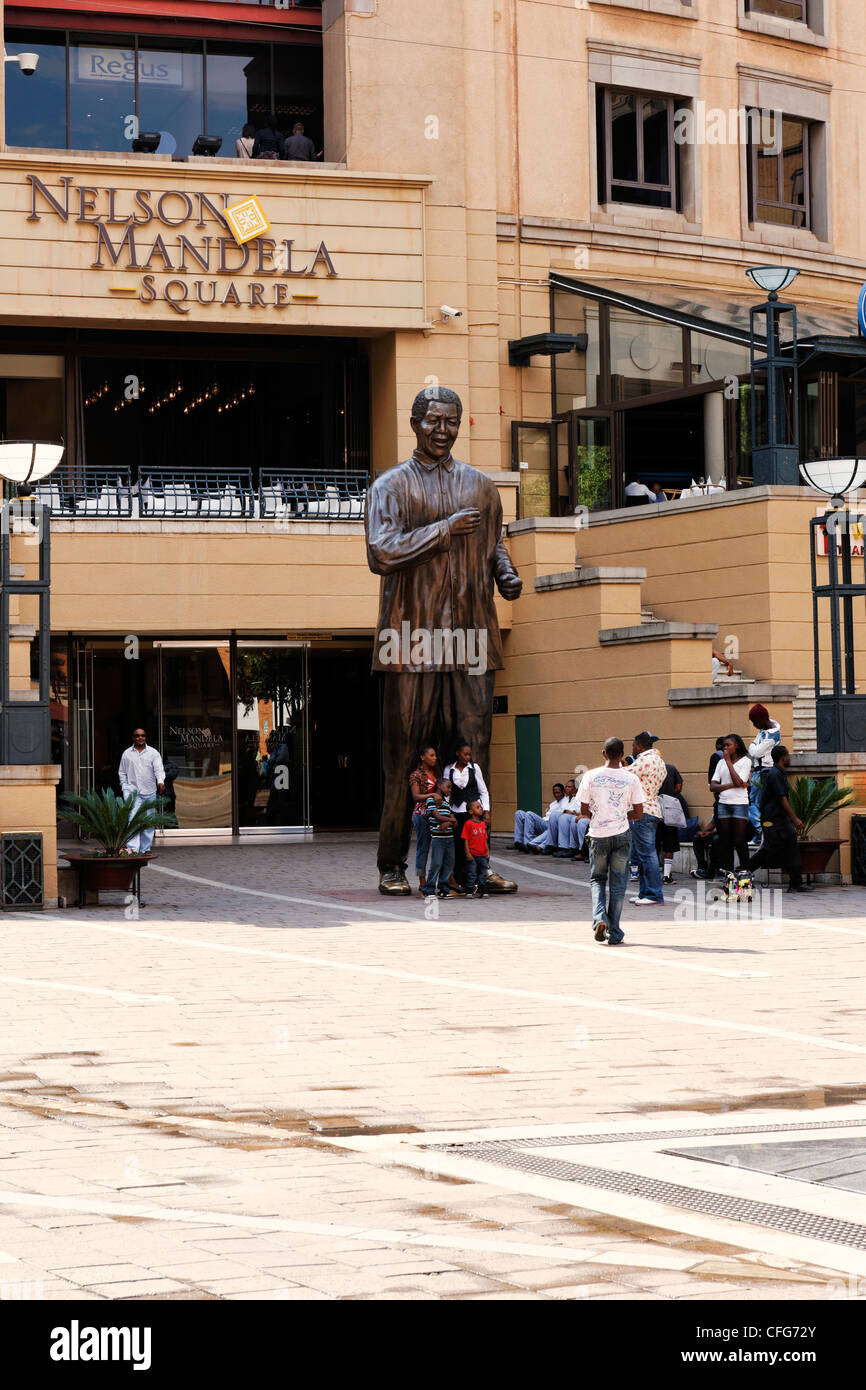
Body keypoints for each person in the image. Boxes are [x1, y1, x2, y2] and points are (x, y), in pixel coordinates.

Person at [366, 386, 522, 896]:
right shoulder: (391, 486)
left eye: (450, 421)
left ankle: (471, 865)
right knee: (404, 753)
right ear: (414, 422)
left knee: (473, 757)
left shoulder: (481, 486)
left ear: (460, 424)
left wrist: (506, 573)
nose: (441, 429)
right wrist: (444, 529)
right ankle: (393, 864)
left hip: (473, 637)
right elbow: (381, 553)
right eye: (432, 420)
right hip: (411, 640)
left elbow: (494, 542)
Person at [578, 737, 644, 946]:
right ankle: (614, 931)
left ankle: (599, 919)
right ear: (622, 755)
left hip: (598, 834)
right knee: (618, 883)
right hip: (622, 834)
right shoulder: (631, 778)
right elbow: (639, 813)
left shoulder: (590, 776)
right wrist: (622, 817)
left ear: (603, 753)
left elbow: (583, 810)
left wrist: (598, 818)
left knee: (597, 879)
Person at [749, 746, 811, 893]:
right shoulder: (775, 774)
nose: (789, 758)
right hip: (773, 820)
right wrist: (794, 818)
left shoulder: (778, 773)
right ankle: (742, 871)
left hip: (779, 819)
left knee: (791, 847)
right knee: (770, 849)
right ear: (783, 757)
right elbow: (782, 798)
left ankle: (796, 883)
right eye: (788, 755)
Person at [444, 741, 489, 890]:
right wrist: (448, 811)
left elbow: (483, 791)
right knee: (458, 845)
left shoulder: (474, 768)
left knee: (474, 846)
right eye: (465, 754)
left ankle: (475, 880)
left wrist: (486, 811)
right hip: (456, 812)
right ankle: (458, 880)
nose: (468, 757)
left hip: (472, 814)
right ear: (458, 753)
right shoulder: (448, 769)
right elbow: (445, 793)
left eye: (470, 754)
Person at [629, 731, 667, 905]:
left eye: (633, 745)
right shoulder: (659, 761)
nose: (632, 747)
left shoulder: (643, 760)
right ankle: (645, 893)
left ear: (639, 745)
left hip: (642, 811)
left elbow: (625, 775)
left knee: (647, 854)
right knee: (643, 854)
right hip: (653, 809)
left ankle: (653, 895)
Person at [710, 733, 752, 876]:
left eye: (728, 745)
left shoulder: (745, 761)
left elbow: (740, 781)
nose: (725, 748)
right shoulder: (720, 762)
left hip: (739, 804)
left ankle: (746, 869)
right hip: (723, 803)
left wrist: (729, 762)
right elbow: (712, 786)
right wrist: (731, 785)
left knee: (740, 839)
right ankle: (728, 872)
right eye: (724, 746)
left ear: (737, 745)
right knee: (725, 839)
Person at [118, 727, 165, 854]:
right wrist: (124, 786)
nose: (140, 738)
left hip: (149, 791)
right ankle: (133, 849)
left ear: (145, 737)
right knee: (132, 820)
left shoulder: (153, 753)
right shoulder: (127, 753)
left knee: (148, 821)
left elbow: (159, 769)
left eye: (143, 735)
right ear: (133, 738)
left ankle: (145, 848)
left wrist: (160, 781)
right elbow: (122, 772)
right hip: (132, 792)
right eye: (137, 735)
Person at [748, 703, 782, 840]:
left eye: (755, 722)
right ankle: (759, 834)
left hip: (763, 772)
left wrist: (752, 745)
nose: (754, 725)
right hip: (760, 771)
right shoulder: (765, 731)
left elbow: (755, 752)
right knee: (758, 805)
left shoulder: (771, 736)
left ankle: (762, 831)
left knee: (752, 804)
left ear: (761, 720)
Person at [409, 745, 441, 893]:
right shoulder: (416, 775)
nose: (434, 758)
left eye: (435, 756)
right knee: (423, 847)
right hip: (421, 814)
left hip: (435, 814)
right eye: (431, 755)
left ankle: (438, 879)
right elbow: (416, 796)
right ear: (423, 757)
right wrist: (432, 795)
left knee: (439, 847)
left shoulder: (435, 773)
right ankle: (422, 881)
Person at [423, 779, 457, 898]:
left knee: (448, 863)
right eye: (448, 787)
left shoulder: (447, 804)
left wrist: (448, 823)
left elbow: (455, 823)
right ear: (439, 786)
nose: (449, 790)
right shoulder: (431, 800)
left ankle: (443, 888)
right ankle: (429, 889)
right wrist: (451, 820)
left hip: (449, 838)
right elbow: (437, 816)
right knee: (436, 863)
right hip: (438, 838)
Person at [513, 783, 566, 852]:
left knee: (529, 814)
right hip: (544, 823)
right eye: (554, 793)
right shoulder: (553, 804)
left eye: (558, 793)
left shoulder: (566, 801)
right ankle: (518, 842)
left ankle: (528, 843)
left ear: (563, 792)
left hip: (552, 826)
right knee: (519, 813)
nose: (556, 795)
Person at [657, 761, 685, 885]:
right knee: (670, 843)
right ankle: (667, 875)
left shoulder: (645, 768)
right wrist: (669, 794)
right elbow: (679, 787)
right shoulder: (671, 768)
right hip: (669, 809)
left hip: (653, 809)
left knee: (653, 844)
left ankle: (651, 874)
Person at [550, 778, 590, 860]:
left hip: (587, 817)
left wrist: (575, 813)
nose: (566, 789)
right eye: (566, 787)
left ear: (575, 789)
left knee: (576, 820)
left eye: (569, 787)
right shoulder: (567, 799)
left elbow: (585, 811)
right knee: (559, 816)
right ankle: (564, 847)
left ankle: (581, 851)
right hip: (577, 816)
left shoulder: (582, 797)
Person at [461, 800, 490, 897]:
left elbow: (485, 839)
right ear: (470, 811)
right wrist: (468, 853)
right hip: (473, 854)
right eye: (477, 807)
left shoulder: (482, 824)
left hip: (482, 854)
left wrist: (487, 851)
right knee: (472, 873)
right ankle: (469, 890)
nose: (480, 809)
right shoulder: (468, 824)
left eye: (481, 807)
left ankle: (482, 890)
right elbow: (466, 839)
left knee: (483, 873)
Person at [690, 813, 721, 880]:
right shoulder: (718, 807)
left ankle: (712, 870)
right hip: (716, 833)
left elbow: (727, 828)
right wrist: (703, 832)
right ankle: (702, 867)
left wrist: (711, 833)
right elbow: (712, 823)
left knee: (716, 840)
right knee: (697, 838)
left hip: (727, 834)